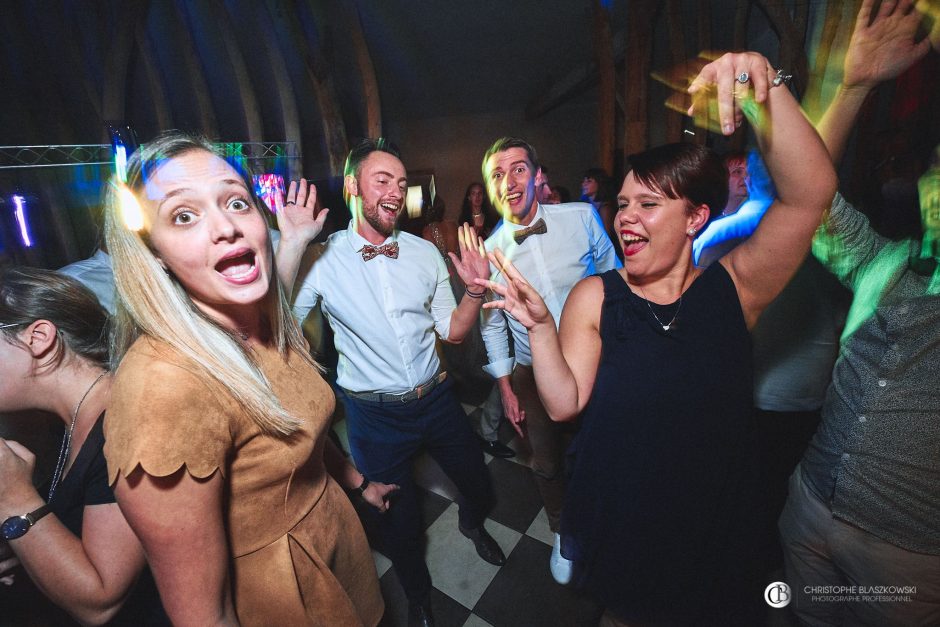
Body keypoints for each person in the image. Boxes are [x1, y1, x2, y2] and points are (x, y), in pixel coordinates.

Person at [478, 52, 837, 624]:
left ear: (695, 217)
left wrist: (764, 92)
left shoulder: (734, 289)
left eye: (648, 204)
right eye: (621, 203)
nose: (625, 216)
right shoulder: (595, 296)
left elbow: (810, 194)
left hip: (715, 516)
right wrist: (542, 329)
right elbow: (565, 401)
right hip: (624, 513)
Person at [101, 131, 390, 626]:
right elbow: (204, 616)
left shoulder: (259, 322)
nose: (226, 228)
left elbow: (294, 424)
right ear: (153, 255)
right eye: (183, 215)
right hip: (278, 597)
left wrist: (357, 482)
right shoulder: (160, 390)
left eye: (237, 202)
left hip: (334, 542)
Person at [291, 138, 503, 627]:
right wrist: (291, 245)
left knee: (478, 480)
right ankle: (419, 595)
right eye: (382, 180)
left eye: (401, 184)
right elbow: (276, 330)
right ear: (352, 186)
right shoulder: (322, 260)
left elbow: (453, 330)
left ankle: (472, 522)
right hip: (374, 416)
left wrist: (474, 289)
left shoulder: (425, 253)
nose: (394, 191)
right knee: (398, 519)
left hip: (437, 401)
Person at [778, 1, 939, 623]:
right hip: (812, 505)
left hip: (909, 557)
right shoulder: (881, 259)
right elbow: (805, 196)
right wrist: (852, 87)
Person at [479, 137, 620, 584]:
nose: (509, 180)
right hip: (531, 373)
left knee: (602, 447)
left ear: (537, 176)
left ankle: (606, 519)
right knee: (546, 461)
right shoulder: (487, 252)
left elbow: (611, 275)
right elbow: (492, 326)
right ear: (490, 188)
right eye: (498, 174)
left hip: (594, 359)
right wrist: (505, 387)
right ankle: (562, 531)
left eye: (518, 169)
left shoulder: (581, 216)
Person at [0, 267, 167, 625]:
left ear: (39, 337)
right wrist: (29, 552)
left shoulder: (126, 422)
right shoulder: (69, 424)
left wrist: (12, 498)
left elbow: (100, 600)